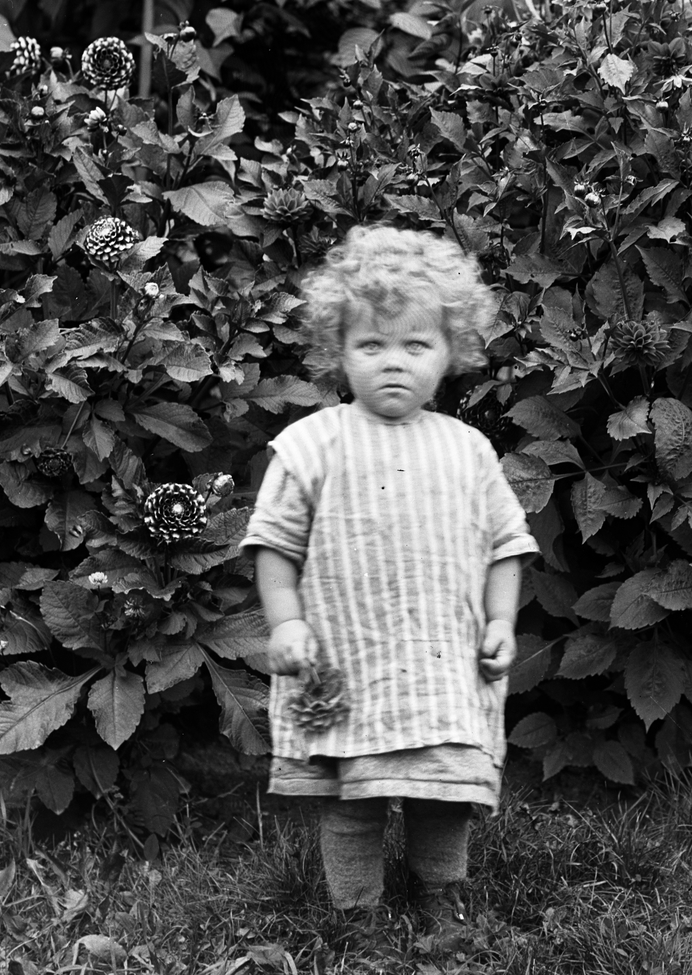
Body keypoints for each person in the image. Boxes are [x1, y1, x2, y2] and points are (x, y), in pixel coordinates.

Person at [239, 223, 538, 960]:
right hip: (350, 658)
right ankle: (357, 915)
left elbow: (505, 544)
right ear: (339, 351)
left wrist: (501, 620)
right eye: (371, 345)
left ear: (451, 351)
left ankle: (443, 898)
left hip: (441, 665)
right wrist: (285, 622)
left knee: (441, 792)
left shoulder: (467, 450)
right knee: (355, 798)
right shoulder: (312, 444)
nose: (394, 361)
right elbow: (275, 543)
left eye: (416, 344)